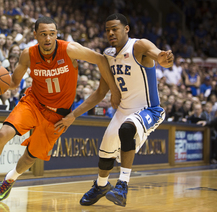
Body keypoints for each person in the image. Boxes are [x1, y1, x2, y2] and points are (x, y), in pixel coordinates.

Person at [0, 16, 120, 201]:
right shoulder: (28, 54)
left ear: (57, 34)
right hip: (34, 102)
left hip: (58, 115)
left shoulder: (70, 50)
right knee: (3, 134)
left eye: (52, 34)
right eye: (43, 34)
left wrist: (113, 91)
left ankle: (10, 179)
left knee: (31, 156)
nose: (48, 39)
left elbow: (101, 60)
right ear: (35, 35)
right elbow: (15, 82)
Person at [55, 13, 174, 207]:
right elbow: (101, 92)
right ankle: (101, 185)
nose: (110, 33)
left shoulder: (139, 46)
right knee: (105, 153)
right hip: (123, 110)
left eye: (115, 29)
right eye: (107, 30)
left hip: (149, 109)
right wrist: (73, 115)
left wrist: (164, 58)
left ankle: (122, 185)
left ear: (126, 29)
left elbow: (159, 56)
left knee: (126, 130)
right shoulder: (108, 55)